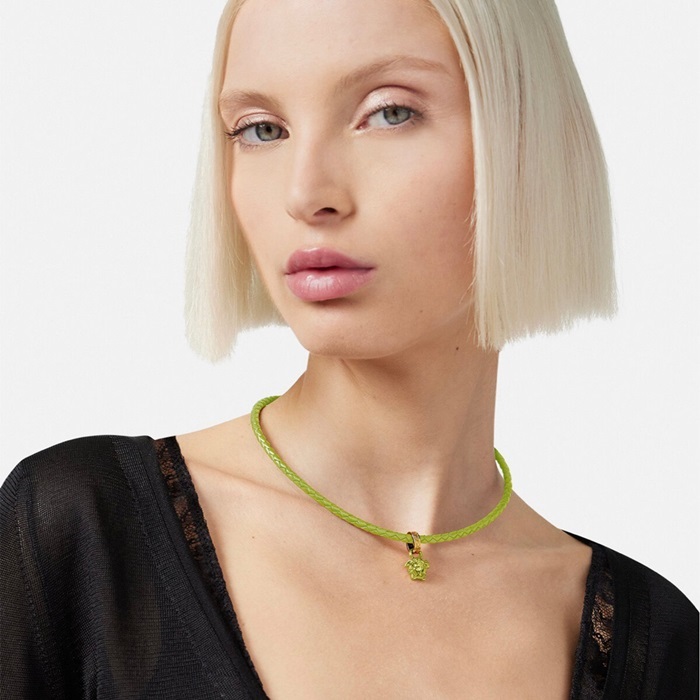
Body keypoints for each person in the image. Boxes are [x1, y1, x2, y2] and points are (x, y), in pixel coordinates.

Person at [1, 0, 697, 698]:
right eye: (261, 129)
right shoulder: (83, 532)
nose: (306, 193)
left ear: (526, 143)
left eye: (389, 113)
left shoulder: (658, 644)